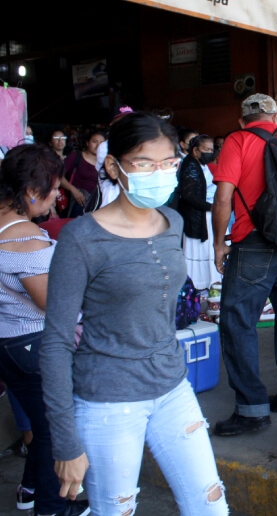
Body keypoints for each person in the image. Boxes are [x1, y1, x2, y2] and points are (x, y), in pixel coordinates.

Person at [40, 112, 228, 515]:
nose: (159, 174)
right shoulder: (81, 237)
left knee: (211, 505)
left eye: (169, 164)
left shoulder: (173, 221)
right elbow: (55, 343)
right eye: (144, 164)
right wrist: (66, 442)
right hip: (108, 399)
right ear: (114, 166)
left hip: (173, 387)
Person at [211, 94, 277, 434]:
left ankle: (252, 409)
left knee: (238, 324)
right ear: (275, 118)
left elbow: (223, 197)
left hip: (254, 245)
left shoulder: (237, 140)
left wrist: (218, 243)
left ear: (243, 118)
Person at [0, 144, 89, 516]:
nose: (58, 195)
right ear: (32, 192)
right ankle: (53, 508)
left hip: (7, 343)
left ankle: (29, 490)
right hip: (34, 345)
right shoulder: (26, 238)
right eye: (54, 189)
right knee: (56, 430)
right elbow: (53, 304)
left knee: (40, 422)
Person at [178, 134, 222, 290]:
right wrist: (211, 207)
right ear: (196, 150)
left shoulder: (200, 165)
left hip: (206, 214)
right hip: (197, 217)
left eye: (211, 149)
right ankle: (198, 285)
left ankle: (209, 284)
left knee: (206, 251)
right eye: (206, 150)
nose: (209, 152)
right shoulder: (190, 166)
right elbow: (189, 195)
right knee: (198, 251)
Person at [61, 130, 106, 218]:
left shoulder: (106, 162)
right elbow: (58, 176)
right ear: (87, 143)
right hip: (78, 203)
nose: (98, 145)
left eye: (102, 143)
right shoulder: (76, 156)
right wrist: (74, 190)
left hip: (99, 205)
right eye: (94, 141)